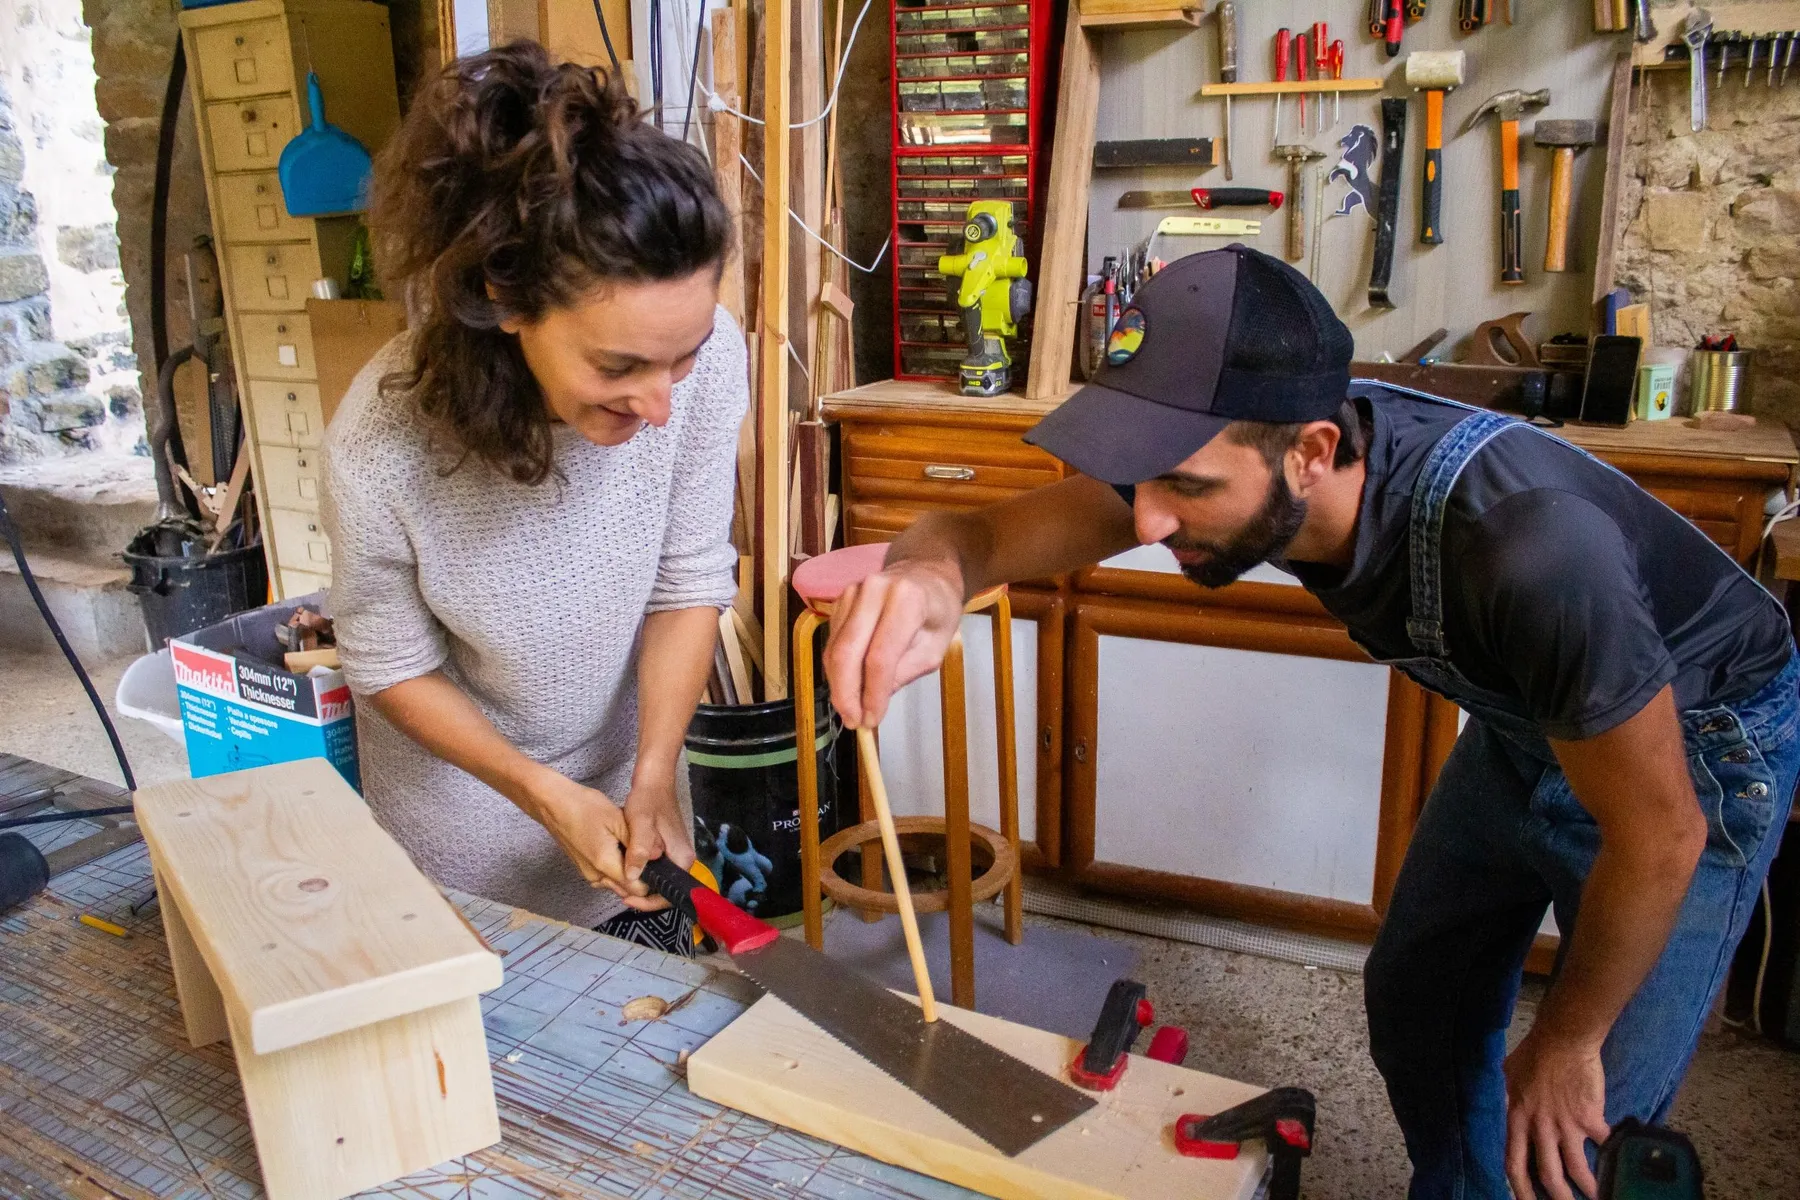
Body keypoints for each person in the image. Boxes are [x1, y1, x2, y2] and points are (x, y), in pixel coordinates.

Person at [823, 245, 1797, 1200]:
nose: (1148, 523)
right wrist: (927, 573)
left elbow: (1662, 833)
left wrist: (1572, 1038)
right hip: (1531, 718)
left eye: (1188, 487)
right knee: (1420, 999)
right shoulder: (1229, 447)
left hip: (1700, 752)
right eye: (1145, 478)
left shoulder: (1531, 552)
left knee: (1574, 1136)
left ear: (1313, 452)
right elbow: (985, 535)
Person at [320, 44, 744, 952]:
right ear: (505, 297)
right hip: (461, 850)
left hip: (641, 822)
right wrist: (540, 792)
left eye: (686, 354)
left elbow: (689, 578)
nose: (663, 402)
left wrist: (657, 775)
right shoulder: (381, 443)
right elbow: (388, 662)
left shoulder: (708, 367)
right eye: (618, 366)